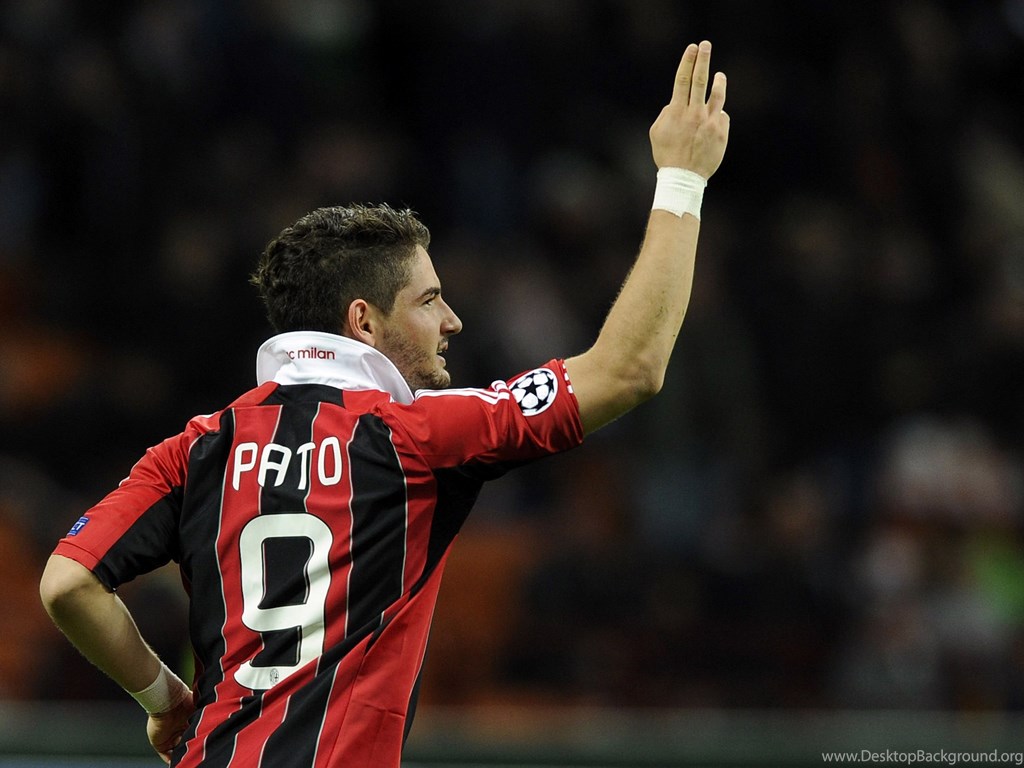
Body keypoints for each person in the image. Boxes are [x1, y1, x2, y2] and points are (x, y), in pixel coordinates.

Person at [39, 40, 729, 767]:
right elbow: (628, 371)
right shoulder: (415, 437)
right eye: (429, 300)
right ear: (363, 322)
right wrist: (682, 179)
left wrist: (164, 699)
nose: (452, 321)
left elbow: (68, 583)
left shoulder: (195, 449)